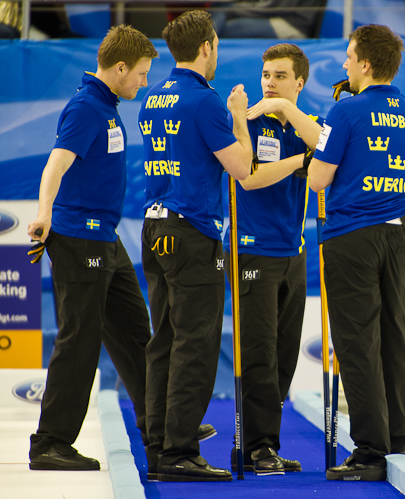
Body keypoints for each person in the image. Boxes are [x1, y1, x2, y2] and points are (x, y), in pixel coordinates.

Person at [26, 25, 157, 471]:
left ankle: (159, 425)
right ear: (119, 68)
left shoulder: (105, 104)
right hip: (79, 236)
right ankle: (50, 443)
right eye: (140, 74)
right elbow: (54, 165)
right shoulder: (85, 108)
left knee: (136, 334)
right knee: (80, 339)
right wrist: (43, 214)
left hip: (105, 236)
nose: (144, 82)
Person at [138, 10, 255, 481]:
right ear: (206, 47)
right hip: (191, 232)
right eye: (217, 45)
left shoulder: (153, 96)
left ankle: (160, 444)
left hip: (155, 228)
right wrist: (239, 118)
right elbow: (242, 168)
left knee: (164, 340)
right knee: (197, 344)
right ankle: (179, 453)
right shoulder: (205, 101)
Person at [308, 24, 405, 482]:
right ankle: (399, 435)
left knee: (357, 342)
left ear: (366, 64)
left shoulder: (346, 111)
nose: (343, 64)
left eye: (349, 57)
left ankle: (370, 449)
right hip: (398, 236)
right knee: (395, 335)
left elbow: (318, 179)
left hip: (353, 234)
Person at [225, 42, 322, 475]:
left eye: (280, 76)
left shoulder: (310, 124)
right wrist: (300, 162)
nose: (270, 83)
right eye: (267, 75)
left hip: (293, 251)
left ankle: (262, 442)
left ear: (299, 82)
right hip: (251, 249)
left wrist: (303, 149)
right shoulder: (250, 123)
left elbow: (323, 146)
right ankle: (254, 444)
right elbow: (249, 179)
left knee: (283, 357)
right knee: (259, 354)